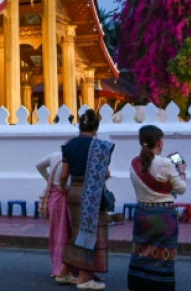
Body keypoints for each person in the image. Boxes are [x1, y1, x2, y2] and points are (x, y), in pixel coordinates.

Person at [58, 108, 114, 290]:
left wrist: (65, 189)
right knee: (90, 233)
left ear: (79, 126)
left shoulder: (70, 145)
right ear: (96, 127)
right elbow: (105, 173)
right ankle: (83, 277)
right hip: (92, 194)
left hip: (73, 190)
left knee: (77, 232)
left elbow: (63, 175)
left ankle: (64, 272)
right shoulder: (101, 147)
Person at [127, 125, 187, 291]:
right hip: (163, 216)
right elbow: (181, 189)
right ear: (160, 142)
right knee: (164, 256)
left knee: (140, 252)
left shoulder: (133, 164)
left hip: (142, 215)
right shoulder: (166, 164)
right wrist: (181, 172)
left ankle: (138, 285)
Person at [36, 150, 72, 281]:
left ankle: (56, 267)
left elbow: (39, 165)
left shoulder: (54, 155)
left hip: (54, 197)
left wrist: (48, 179)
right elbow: (67, 180)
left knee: (56, 234)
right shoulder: (73, 157)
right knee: (67, 233)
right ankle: (65, 268)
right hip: (66, 197)